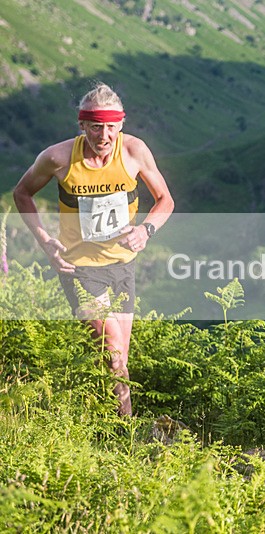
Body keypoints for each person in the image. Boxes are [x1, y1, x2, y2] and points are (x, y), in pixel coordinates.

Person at [13, 82, 174, 416]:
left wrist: (146, 229)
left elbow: (165, 200)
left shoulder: (133, 152)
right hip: (79, 267)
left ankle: (98, 421)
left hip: (122, 265)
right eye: (96, 127)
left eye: (112, 126)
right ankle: (127, 434)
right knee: (113, 351)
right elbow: (22, 193)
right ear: (82, 125)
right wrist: (45, 241)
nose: (105, 135)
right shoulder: (57, 158)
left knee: (117, 360)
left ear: (121, 124)